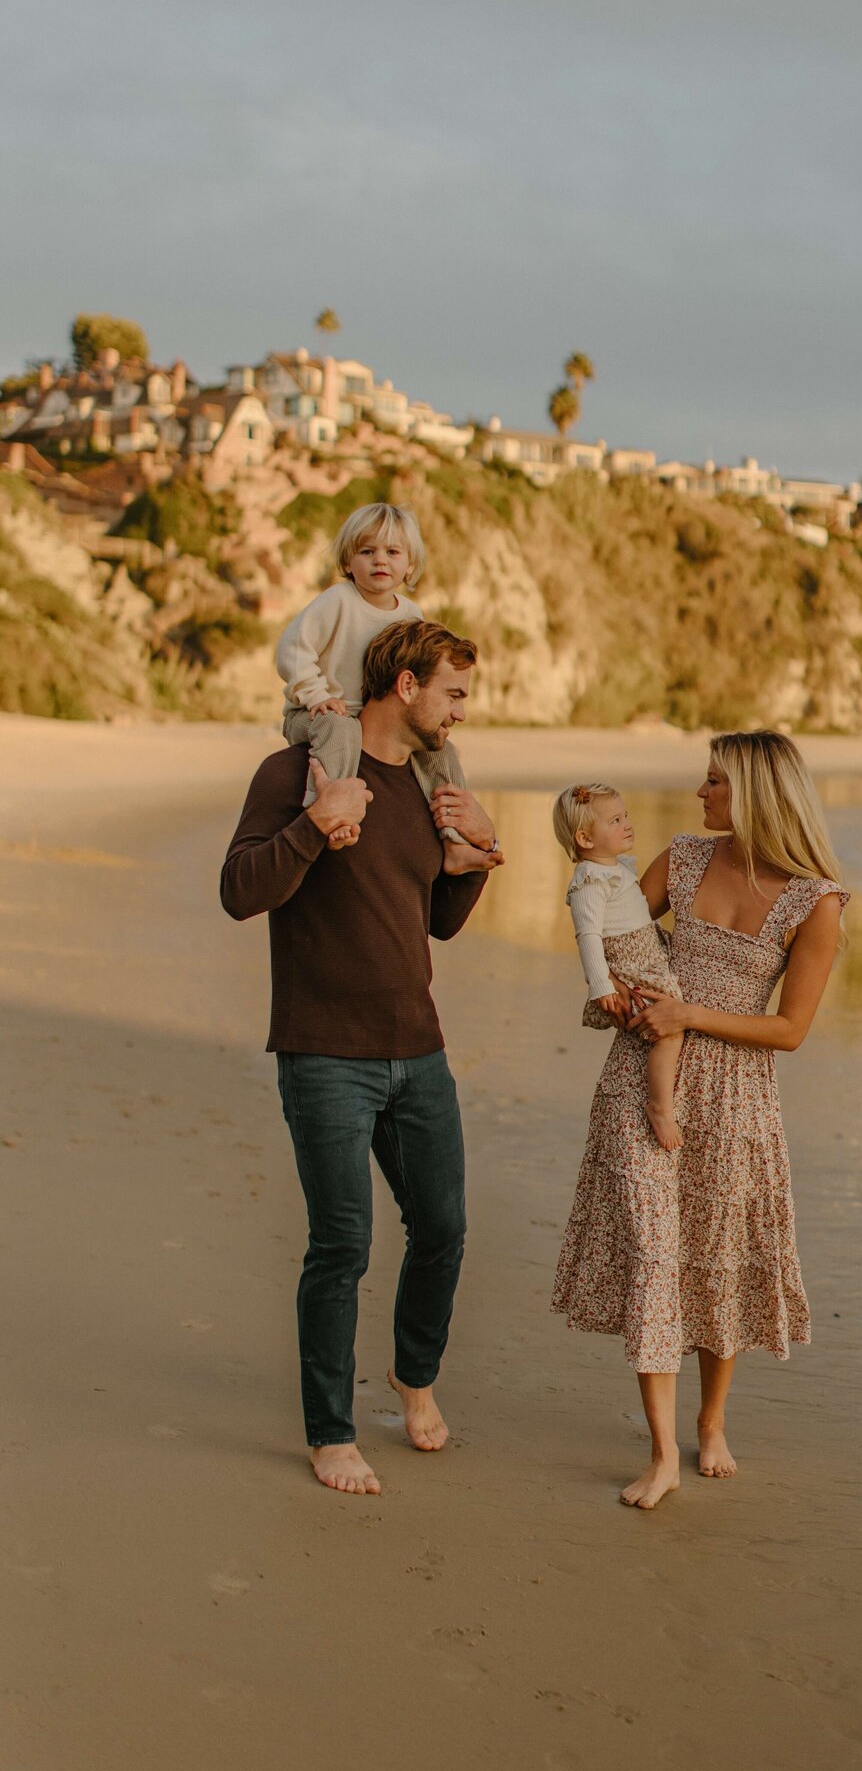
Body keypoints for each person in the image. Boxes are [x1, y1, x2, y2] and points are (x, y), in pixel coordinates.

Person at [221, 618, 502, 1497]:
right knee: (341, 1244)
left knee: (444, 1230)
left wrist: (481, 854)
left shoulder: (430, 786)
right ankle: (331, 1432)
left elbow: (436, 922)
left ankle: (413, 1378)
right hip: (323, 1052)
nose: (462, 711)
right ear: (406, 685)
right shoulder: (299, 772)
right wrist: (314, 823)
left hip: (418, 1050)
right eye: (453, 692)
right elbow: (239, 891)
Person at [552, 730, 849, 1511]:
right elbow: (610, 919)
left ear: (753, 794)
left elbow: (790, 1030)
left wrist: (692, 1011)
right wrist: (622, 992)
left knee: (715, 1261)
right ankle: (661, 1453)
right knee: (655, 1255)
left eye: (715, 782)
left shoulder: (815, 902)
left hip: (736, 1099)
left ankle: (710, 1422)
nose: (701, 794)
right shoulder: (681, 859)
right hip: (642, 1076)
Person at [276, 501, 496, 872]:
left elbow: (421, 675)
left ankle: (454, 842)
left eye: (392, 552)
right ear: (348, 562)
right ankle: (330, 811)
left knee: (442, 752)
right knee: (342, 729)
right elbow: (293, 648)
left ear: (409, 565)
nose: (380, 561)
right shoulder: (337, 602)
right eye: (367, 551)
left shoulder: (411, 615)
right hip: (317, 715)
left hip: (371, 720)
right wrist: (316, 695)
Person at [553, 782, 685, 1152]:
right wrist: (602, 986)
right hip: (631, 963)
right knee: (669, 1030)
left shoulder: (612, 868)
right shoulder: (590, 880)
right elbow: (588, 936)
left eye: (625, 815)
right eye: (614, 820)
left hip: (644, 953)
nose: (627, 824)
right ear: (585, 838)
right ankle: (660, 1106)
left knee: (671, 1023)